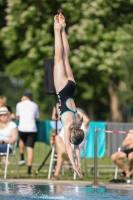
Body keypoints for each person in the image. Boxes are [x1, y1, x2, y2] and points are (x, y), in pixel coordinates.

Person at [53, 13, 84, 178]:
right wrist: (74, 165)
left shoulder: (77, 123)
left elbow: (76, 145)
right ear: (72, 135)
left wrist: (79, 162)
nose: (71, 140)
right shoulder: (67, 126)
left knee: (65, 58)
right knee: (58, 58)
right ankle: (57, 29)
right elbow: (68, 148)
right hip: (63, 89)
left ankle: (64, 29)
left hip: (72, 86)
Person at [51, 108, 89, 180]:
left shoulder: (83, 125)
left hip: (75, 146)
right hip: (64, 146)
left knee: (61, 151)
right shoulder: (69, 126)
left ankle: (56, 174)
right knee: (57, 138)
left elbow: (87, 119)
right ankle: (64, 153)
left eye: (77, 116)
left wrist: (77, 111)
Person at [16, 92, 39, 174]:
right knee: (30, 148)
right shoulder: (35, 105)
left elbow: (18, 117)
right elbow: (36, 118)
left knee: (21, 140)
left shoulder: (19, 105)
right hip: (32, 128)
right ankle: (29, 169)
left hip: (22, 127)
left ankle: (22, 157)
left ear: (25, 97)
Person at [0, 107, 18, 172]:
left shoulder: (12, 125)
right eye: (1, 115)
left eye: (4, 114)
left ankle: (4, 159)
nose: (3, 116)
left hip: (8, 145)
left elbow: (14, 138)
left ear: (8, 115)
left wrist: (3, 141)